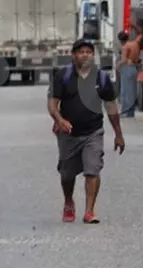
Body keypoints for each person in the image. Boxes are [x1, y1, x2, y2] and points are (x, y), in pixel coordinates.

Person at [48, 39, 126, 224]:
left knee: (93, 170)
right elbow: (53, 103)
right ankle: (68, 202)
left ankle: (90, 211)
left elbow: (111, 107)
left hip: (93, 131)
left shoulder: (101, 78)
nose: (85, 55)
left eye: (89, 52)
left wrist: (119, 134)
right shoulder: (63, 76)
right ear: (73, 55)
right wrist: (60, 120)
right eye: (81, 52)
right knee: (67, 174)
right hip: (68, 134)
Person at [117, 25, 142, 117]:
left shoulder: (125, 47)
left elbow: (123, 60)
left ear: (120, 40)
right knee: (132, 91)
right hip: (134, 68)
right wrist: (134, 26)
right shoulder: (135, 43)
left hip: (127, 68)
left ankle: (125, 112)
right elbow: (141, 34)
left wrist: (118, 66)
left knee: (125, 91)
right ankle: (131, 112)